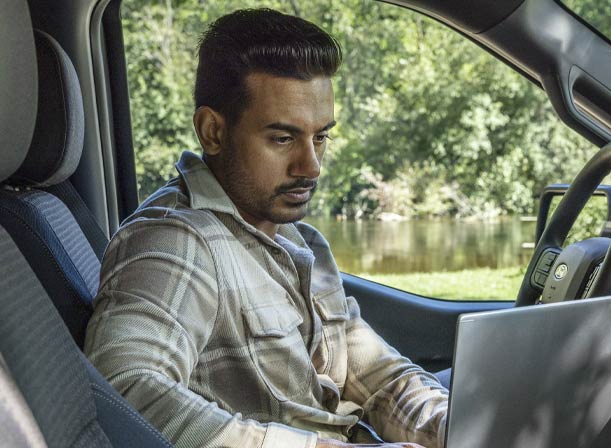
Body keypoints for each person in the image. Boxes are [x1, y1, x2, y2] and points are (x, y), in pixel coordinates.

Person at [84, 9, 448, 448]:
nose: (310, 166)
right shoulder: (178, 240)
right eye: (282, 138)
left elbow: (370, 371)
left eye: (320, 137)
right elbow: (123, 392)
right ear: (213, 131)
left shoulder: (292, 236)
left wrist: (454, 424)